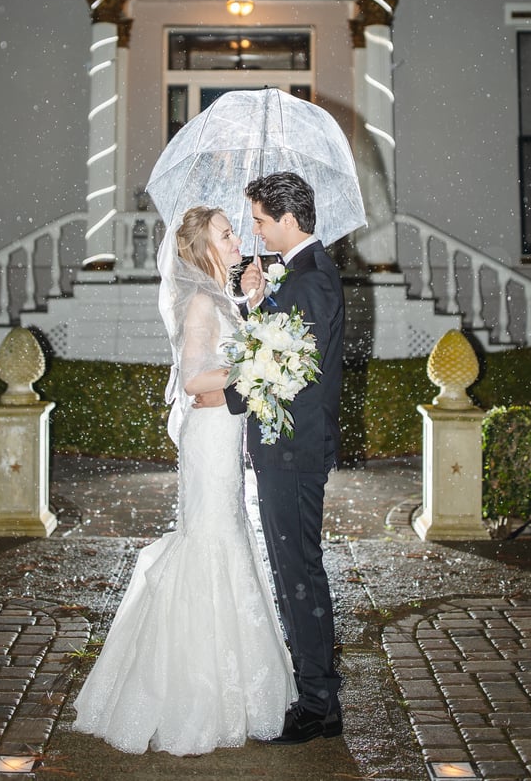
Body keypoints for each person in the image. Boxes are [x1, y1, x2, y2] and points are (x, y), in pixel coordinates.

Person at [71, 206, 297, 756]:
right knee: (210, 538)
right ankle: (190, 691)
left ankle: (231, 684)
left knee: (228, 535)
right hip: (210, 437)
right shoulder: (200, 301)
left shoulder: (223, 298)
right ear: (205, 250)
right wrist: (260, 362)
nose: (237, 237)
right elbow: (197, 376)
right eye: (226, 233)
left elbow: (232, 356)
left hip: (226, 433)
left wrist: (255, 304)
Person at [198, 172, 344, 745]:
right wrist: (258, 299)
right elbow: (277, 348)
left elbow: (284, 372)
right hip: (289, 449)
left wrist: (225, 396)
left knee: (298, 574)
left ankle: (317, 704)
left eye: (258, 220)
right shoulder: (299, 277)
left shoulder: (311, 282)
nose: (255, 230)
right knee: (294, 572)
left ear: (287, 219)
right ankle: (316, 690)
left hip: (293, 450)